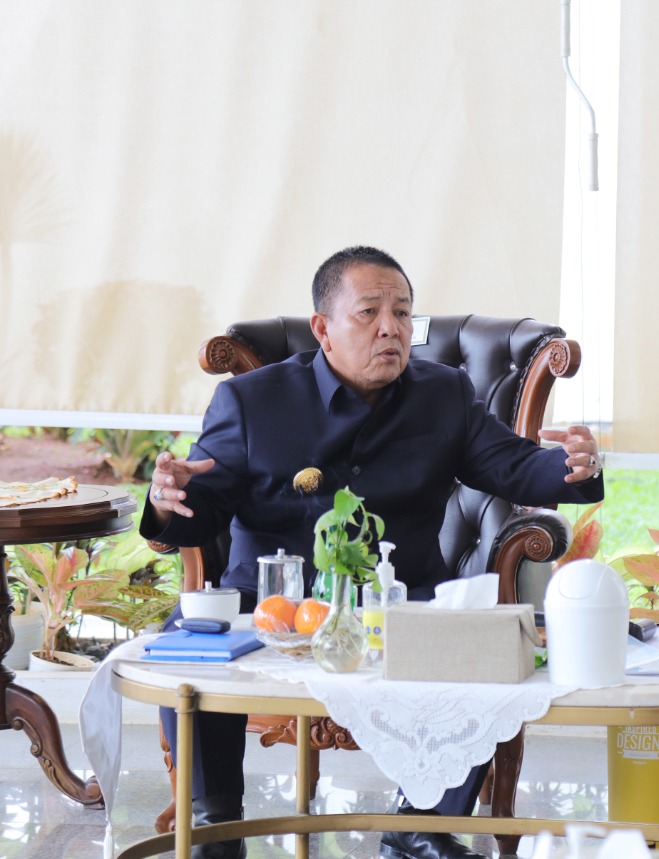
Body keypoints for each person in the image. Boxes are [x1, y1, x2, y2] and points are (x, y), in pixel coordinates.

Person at [141, 245, 605, 859]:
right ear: (323, 328)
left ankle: (421, 828)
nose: (391, 328)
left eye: (403, 313)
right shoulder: (252, 400)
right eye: (369, 312)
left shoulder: (444, 393)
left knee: (488, 650)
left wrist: (575, 467)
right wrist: (170, 498)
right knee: (190, 648)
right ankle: (214, 827)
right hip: (274, 605)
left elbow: (515, 466)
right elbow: (205, 505)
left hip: (404, 599)